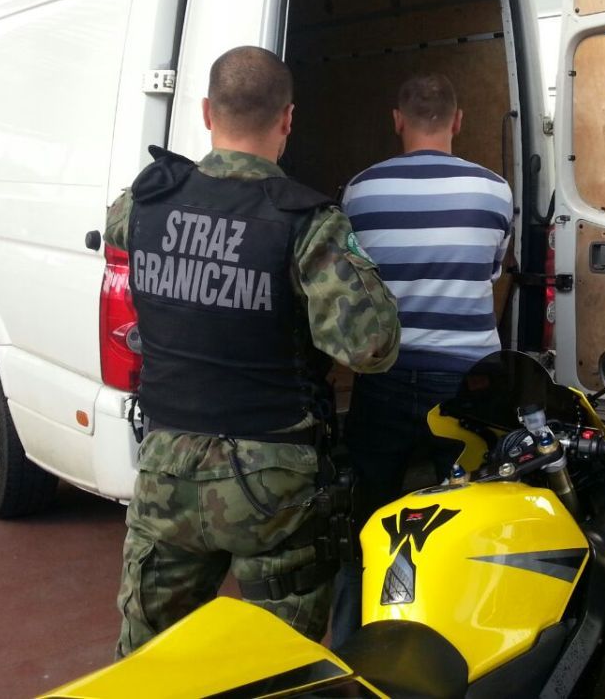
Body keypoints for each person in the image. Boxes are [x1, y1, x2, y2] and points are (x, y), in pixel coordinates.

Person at [105, 46, 400, 657]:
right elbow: (371, 347)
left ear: (206, 112)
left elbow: (115, 229)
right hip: (272, 483)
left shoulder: (146, 202)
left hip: (166, 468)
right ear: (288, 119)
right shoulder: (307, 222)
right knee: (275, 664)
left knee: (147, 658)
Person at [335, 73, 513, 630]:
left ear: (398, 121)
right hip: (468, 383)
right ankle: (456, 631)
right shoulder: (495, 191)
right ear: (458, 120)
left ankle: (357, 631)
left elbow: (354, 281)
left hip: (385, 374)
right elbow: (490, 271)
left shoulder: (359, 192)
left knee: (368, 512)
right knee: (467, 513)